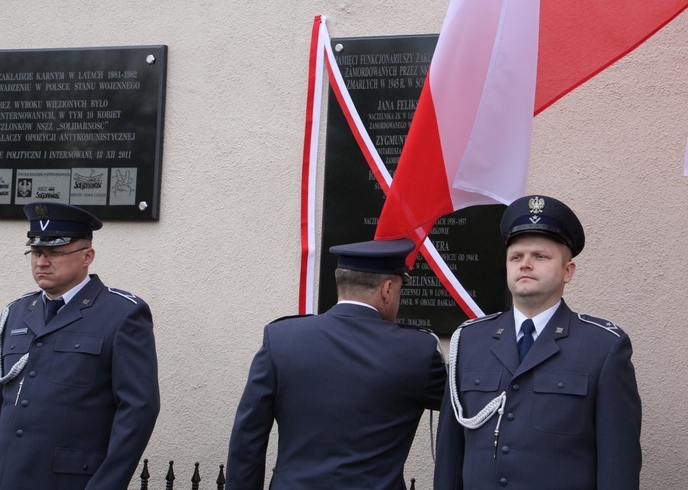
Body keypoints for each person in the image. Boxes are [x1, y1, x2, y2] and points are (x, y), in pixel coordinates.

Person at [434, 195, 641, 489]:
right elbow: (449, 455)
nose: (525, 265)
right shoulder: (469, 341)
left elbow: (618, 464)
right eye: (516, 257)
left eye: (540, 257)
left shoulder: (603, 348)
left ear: (568, 271)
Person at [227, 238, 447, 489]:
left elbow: (247, 440)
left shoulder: (281, 340)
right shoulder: (417, 352)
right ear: (387, 289)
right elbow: (471, 404)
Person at [0, 202, 160, 490]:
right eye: (36, 252)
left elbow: (138, 410)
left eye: (55, 253)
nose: (41, 262)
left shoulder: (121, 313)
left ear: (87, 256)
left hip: (72, 481)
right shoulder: (16, 312)